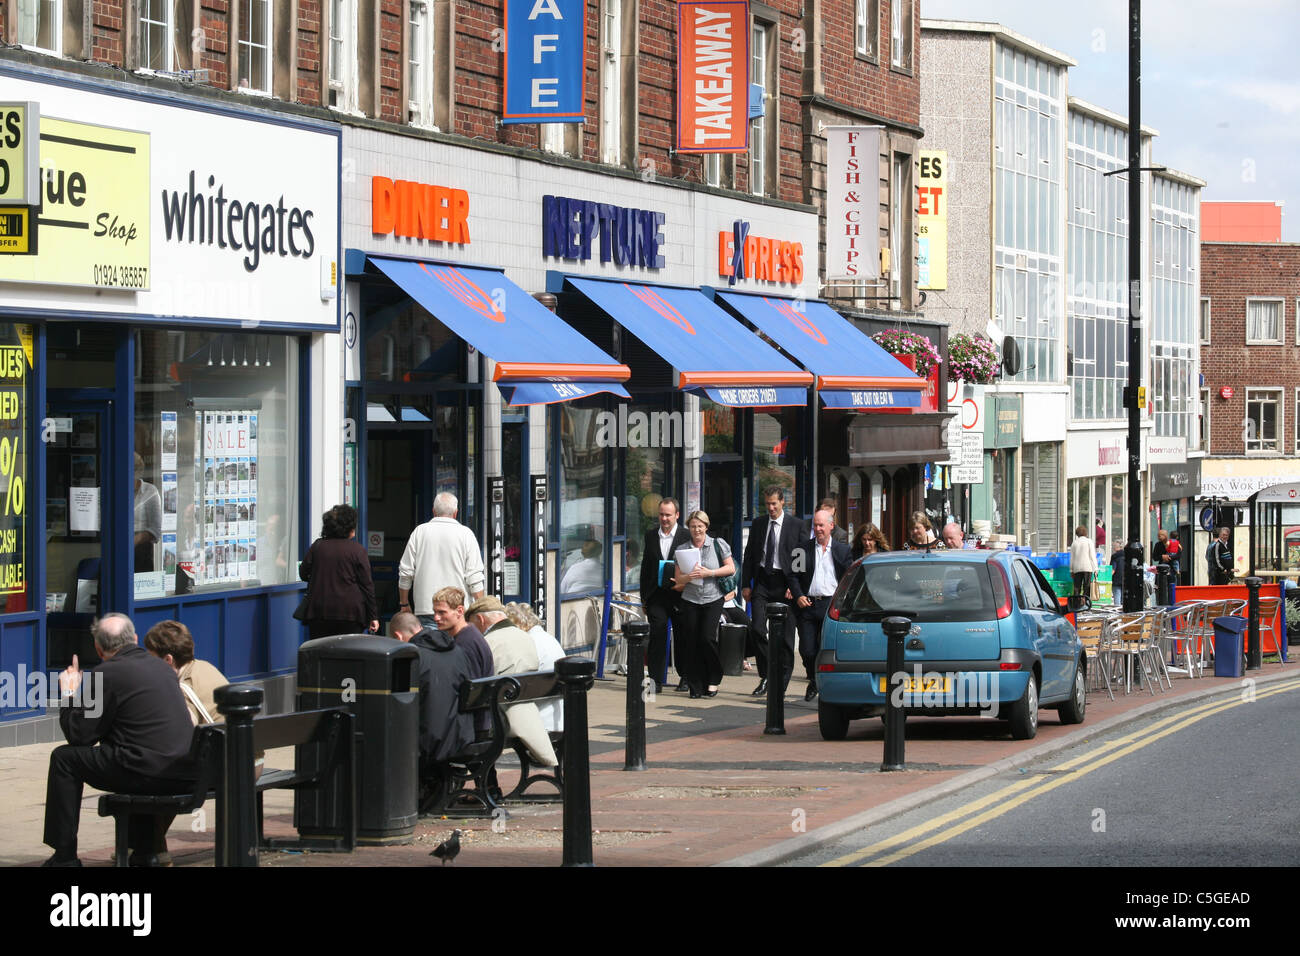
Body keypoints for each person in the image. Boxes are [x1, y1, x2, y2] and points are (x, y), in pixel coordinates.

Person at [43, 613, 196, 867]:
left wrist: (70, 694)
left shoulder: (105, 674)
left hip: (146, 772)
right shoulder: (163, 667)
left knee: (64, 759)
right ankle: (146, 851)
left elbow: (80, 736)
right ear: (135, 639)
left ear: (98, 648)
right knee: (133, 750)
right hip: (183, 770)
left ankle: (65, 855)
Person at [465, 597, 558, 767]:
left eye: (472, 625)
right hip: (525, 714)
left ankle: (485, 785)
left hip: (500, 721)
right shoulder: (525, 637)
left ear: (481, 619)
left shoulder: (488, 643)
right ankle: (489, 787)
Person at [740, 487, 807, 696]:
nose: (770, 508)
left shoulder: (796, 525)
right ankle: (767, 674)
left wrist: (795, 587)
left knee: (787, 639)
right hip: (763, 581)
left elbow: (802, 558)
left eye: (774, 504)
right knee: (757, 628)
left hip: (786, 584)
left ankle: (781, 683)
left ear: (782, 503)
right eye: (767, 504)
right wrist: (745, 584)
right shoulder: (759, 524)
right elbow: (749, 554)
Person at [389, 611, 477, 769]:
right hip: (462, 736)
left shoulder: (411, 659)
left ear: (398, 637)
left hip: (430, 744)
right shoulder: (456, 649)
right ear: (420, 627)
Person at [670, 510, 735, 698]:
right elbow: (678, 578)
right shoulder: (682, 549)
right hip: (690, 598)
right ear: (688, 528)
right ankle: (695, 685)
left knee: (707, 638)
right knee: (691, 642)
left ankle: (714, 678)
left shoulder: (717, 544)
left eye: (700, 526)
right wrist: (689, 576)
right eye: (692, 526)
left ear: (706, 527)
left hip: (713, 598)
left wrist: (710, 573)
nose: (696, 530)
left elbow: (730, 568)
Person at [398, 492, 486, 624]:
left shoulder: (419, 532)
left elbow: (406, 573)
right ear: (456, 513)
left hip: (426, 608)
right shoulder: (466, 534)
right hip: (457, 611)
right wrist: (480, 608)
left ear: (434, 511)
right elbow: (474, 578)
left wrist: (404, 603)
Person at [791, 509, 851, 701]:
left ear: (831, 526)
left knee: (826, 648)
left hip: (830, 605)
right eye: (815, 525)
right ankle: (814, 678)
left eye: (821, 525)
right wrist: (799, 595)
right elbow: (793, 576)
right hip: (808, 604)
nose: (817, 529)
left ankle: (819, 684)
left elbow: (849, 579)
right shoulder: (802, 549)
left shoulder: (842, 550)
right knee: (807, 650)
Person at [299, 504, 379, 641]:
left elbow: (303, 573)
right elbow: (367, 586)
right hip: (350, 613)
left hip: (320, 611)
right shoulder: (357, 550)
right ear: (350, 528)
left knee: (321, 652)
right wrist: (373, 616)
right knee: (349, 654)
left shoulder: (317, 547)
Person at [639, 497, 690, 693]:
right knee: (657, 636)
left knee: (683, 637)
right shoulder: (650, 535)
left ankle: (685, 677)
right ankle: (655, 681)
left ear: (677, 515)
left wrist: (684, 583)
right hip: (657, 595)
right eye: (661, 514)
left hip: (680, 594)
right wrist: (645, 597)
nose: (664, 518)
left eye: (668, 515)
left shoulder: (686, 536)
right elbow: (646, 567)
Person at [143, 620, 227, 726]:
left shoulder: (183, 689)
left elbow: (185, 729)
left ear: (168, 659)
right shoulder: (205, 665)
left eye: (152, 657)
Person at [504, 602, 565, 732]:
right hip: (558, 716)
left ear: (517, 625)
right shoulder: (548, 638)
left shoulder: (530, 643)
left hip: (540, 720)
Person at [430, 587, 494, 680]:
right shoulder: (470, 634)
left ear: (460, 611)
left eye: (442, 612)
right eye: (435, 612)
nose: (436, 618)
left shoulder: (465, 643)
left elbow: (471, 688)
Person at [134, 453, 162, 573]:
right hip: (119, 545)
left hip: (141, 549)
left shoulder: (150, 491)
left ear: (138, 472)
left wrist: (135, 540)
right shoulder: (116, 490)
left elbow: (155, 530)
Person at [1070, 524, 1097, 600]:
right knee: (1087, 586)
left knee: (1077, 587)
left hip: (1077, 568)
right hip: (1087, 567)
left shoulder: (1074, 543)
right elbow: (1092, 556)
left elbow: (1072, 558)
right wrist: (1095, 569)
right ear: (1086, 533)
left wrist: (1071, 570)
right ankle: (1085, 602)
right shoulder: (1089, 542)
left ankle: (1076, 603)